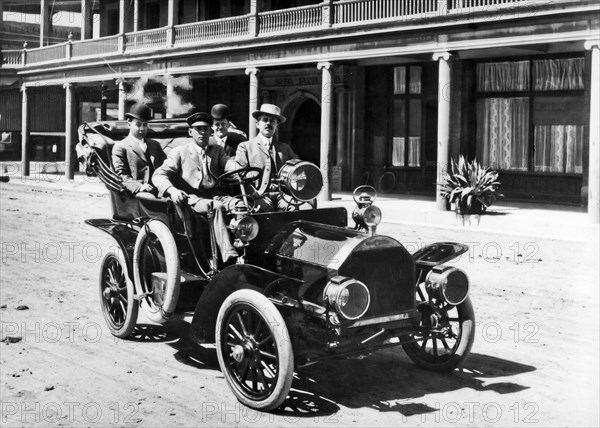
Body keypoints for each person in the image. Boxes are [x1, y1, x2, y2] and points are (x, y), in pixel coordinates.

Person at [153, 112, 238, 263]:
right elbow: (158, 175)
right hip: (194, 198)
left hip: (217, 194)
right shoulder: (179, 152)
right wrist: (172, 191)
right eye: (198, 129)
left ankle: (246, 249)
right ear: (190, 131)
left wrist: (241, 170)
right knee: (216, 207)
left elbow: (229, 165)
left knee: (242, 206)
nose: (203, 133)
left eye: (206, 129)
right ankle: (229, 256)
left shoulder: (217, 150)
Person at [235, 103, 298, 212]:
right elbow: (240, 174)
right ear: (257, 124)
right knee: (266, 211)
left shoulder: (284, 148)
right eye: (265, 120)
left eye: (272, 121)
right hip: (259, 195)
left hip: (281, 195)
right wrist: (253, 192)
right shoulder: (245, 147)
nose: (268, 123)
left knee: (302, 208)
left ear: (277, 127)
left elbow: (298, 168)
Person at [112, 103, 166, 195]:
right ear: (129, 123)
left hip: (159, 194)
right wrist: (139, 187)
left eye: (145, 125)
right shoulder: (121, 147)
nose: (142, 129)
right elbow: (120, 175)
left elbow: (165, 168)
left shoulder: (155, 145)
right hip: (135, 196)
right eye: (138, 124)